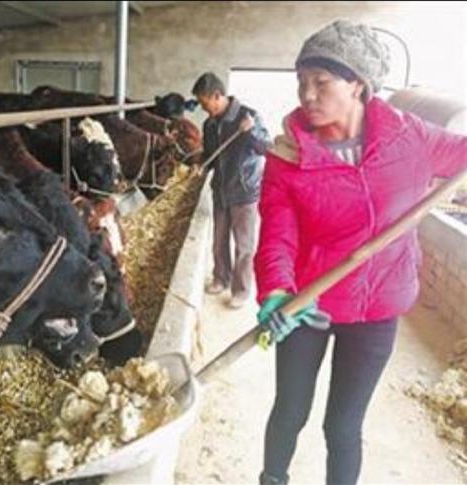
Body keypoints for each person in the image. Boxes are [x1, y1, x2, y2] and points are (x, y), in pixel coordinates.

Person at [253, 20, 467, 485]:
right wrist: (275, 290)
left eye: (321, 82)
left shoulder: (409, 137)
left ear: (359, 86)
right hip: (309, 304)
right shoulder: (288, 155)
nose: (307, 94)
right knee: (290, 411)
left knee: (344, 426)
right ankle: (272, 478)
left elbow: (463, 153)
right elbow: (278, 236)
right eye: (302, 82)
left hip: (377, 310)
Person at [192, 72, 272, 308]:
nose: (204, 109)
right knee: (218, 241)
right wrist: (199, 166)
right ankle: (220, 278)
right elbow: (209, 156)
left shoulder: (248, 116)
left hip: (244, 191)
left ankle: (241, 290)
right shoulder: (210, 124)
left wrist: (250, 131)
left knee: (244, 246)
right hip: (221, 191)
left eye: (205, 103)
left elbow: (265, 148)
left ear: (217, 96)